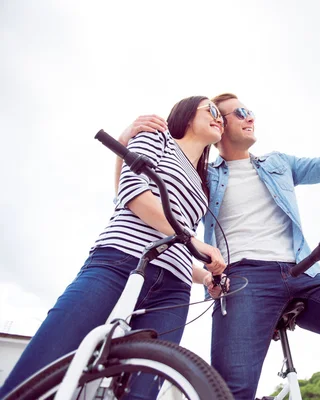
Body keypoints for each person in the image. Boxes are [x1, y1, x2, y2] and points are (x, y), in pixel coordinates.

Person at [119, 73, 320, 400]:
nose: (250, 117)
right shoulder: (202, 175)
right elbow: (154, 203)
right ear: (218, 126)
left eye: (250, 110)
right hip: (244, 280)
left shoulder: (278, 164)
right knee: (230, 393)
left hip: (304, 273)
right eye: (239, 113)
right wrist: (125, 144)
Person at [0, 96, 227, 400]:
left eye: (221, 116)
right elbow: (133, 193)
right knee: (46, 362)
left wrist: (204, 276)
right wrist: (192, 239)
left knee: (143, 390)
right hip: (119, 262)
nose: (219, 118)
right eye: (211, 110)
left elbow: (177, 244)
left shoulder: (203, 185)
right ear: (186, 115)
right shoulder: (156, 137)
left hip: (173, 288)